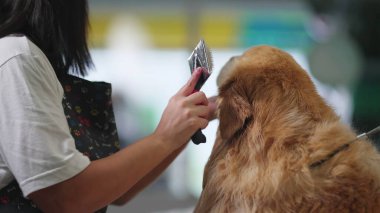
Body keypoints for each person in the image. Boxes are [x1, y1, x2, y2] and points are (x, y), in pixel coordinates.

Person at [0, 0, 216, 212]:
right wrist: (164, 136)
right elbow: (67, 197)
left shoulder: (31, 61)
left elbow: (119, 190)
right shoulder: (15, 57)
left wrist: (183, 127)